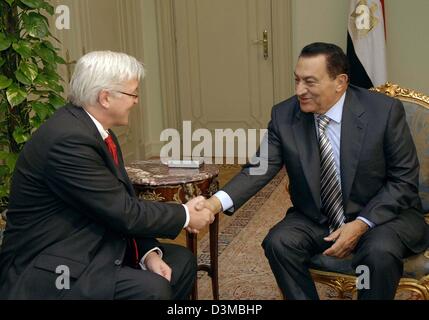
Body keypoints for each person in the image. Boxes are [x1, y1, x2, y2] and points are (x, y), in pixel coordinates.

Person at [198, 42, 429, 299]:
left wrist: (362, 224)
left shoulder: (383, 112)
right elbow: (259, 168)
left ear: (340, 82)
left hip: (382, 217)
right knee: (279, 243)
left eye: (310, 82)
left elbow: (403, 180)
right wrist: (212, 205)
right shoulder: (285, 115)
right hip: (319, 217)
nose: (299, 90)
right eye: (296, 80)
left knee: (378, 253)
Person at [0, 51, 215, 300]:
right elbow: (122, 211)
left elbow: (115, 204)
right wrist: (186, 215)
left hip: (92, 240)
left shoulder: (98, 132)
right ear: (105, 98)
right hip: (51, 265)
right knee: (151, 289)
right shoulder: (69, 140)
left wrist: (148, 254)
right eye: (133, 93)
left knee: (180, 262)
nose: (136, 101)